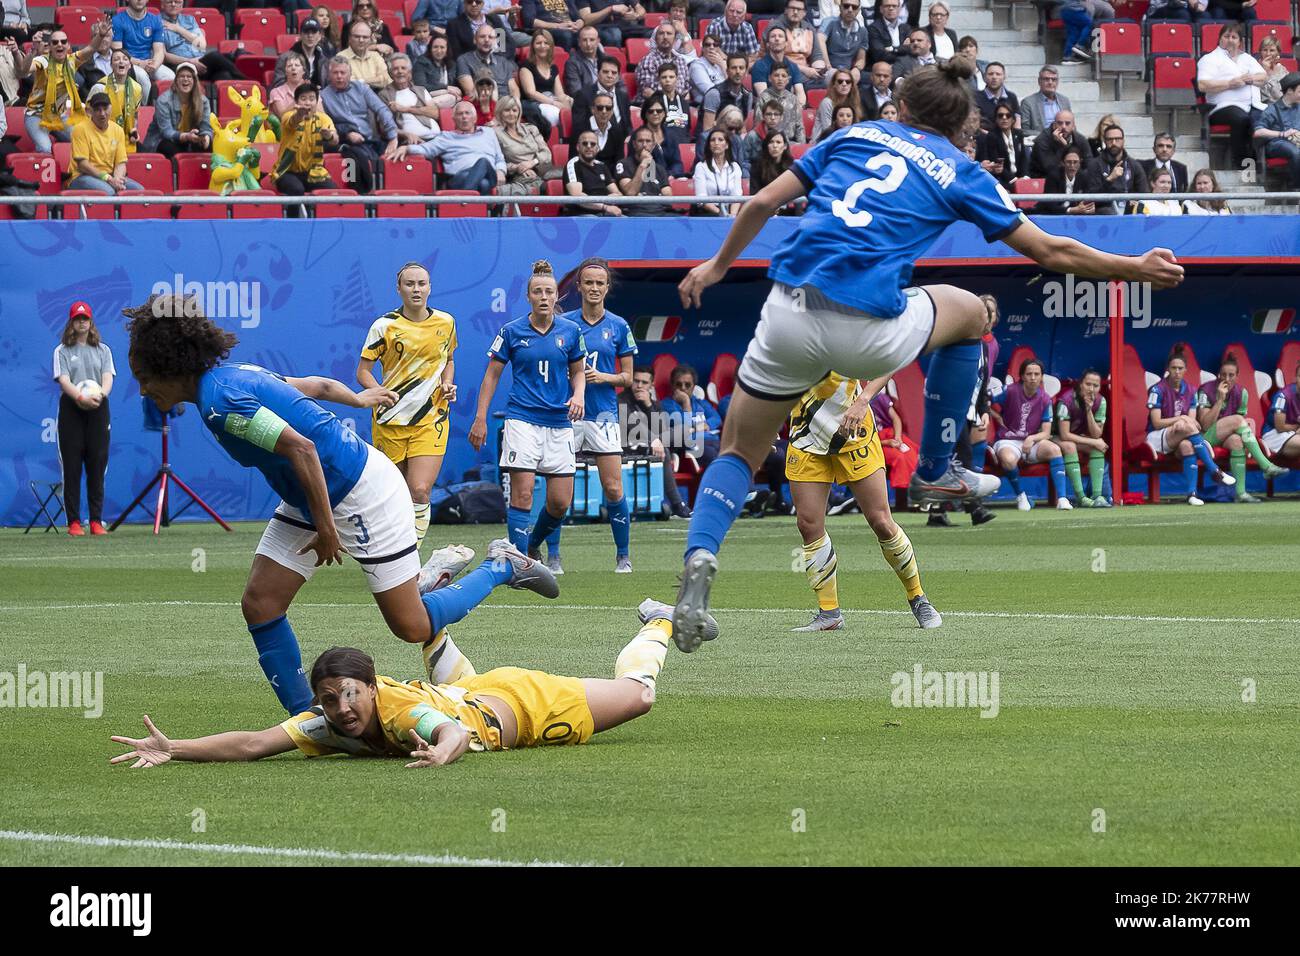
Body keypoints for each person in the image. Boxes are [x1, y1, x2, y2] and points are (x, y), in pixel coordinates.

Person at [669, 58, 1185, 652]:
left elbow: (760, 203)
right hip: (866, 328)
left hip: (788, 310)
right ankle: (938, 468)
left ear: (903, 106)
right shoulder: (963, 172)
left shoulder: (852, 133)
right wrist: (1134, 267)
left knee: (737, 449)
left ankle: (702, 552)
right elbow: (1050, 251)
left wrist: (716, 266)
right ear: (961, 126)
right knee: (969, 311)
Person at [123, 295, 557, 715]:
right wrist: (357, 398)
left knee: (411, 626)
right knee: (260, 603)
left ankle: (502, 565)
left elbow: (304, 449)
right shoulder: (230, 378)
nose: (142, 388)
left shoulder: (221, 402)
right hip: (312, 495)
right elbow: (316, 387)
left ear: (169, 366)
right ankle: (308, 719)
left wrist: (328, 530)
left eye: (144, 375)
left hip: (362, 493)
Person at [109, 599, 712, 769]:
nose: (343, 709)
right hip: (474, 692)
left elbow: (443, 731)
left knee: (640, 696)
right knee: (453, 690)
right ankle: (434, 614)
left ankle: (662, 620)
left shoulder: (395, 714)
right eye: (330, 698)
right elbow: (254, 744)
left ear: (372, 689)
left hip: (525, 707)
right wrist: (175, 747)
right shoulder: (326, 722)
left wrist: (444, 755)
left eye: (351, 694)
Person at [786, 374, 941, 632]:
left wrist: (863, 400)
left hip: (854, 435)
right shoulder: (787, 336)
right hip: (806, 438)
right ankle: (829, 613)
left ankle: (918, 598)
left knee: (880, 521)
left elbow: (889, 358)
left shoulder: (850, 333)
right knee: (808, 524)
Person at [470, 260, 587, 575]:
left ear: (556, 296)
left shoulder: (572, 331)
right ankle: (519, 563)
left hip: (559, 423)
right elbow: (491, 376)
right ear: (529, 296)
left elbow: (579, 373)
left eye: (549, 291)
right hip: (521, 419)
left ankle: (533, 544)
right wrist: (480, 418)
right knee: (522, 493)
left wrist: (578, 395)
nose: (544, 296)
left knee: (560, 503)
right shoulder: (512, 331)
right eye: (538, 291)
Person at [357, 263, 458, 550]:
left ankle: (410, 553)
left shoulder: (446, 322)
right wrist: (377, 390)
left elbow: (447, 361)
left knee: (420, 489)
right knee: (394, 493)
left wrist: (447, 384)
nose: (416, 289)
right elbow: (363, 371)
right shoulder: (384, 326)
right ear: (399, 289)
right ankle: (390, 549)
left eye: (421, 284)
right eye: (410, 284)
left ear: (430, 287)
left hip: (432, 418)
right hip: (390, 421)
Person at [564, 258, 639, 571]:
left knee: (613, 487)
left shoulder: (619, 326)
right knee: (560, 491)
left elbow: (628, 378)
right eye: (588, 282)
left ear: (607, 288)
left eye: (600, 283)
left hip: (604, 415)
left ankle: (623, 556)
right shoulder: (564, 324)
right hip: (567, 414)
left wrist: (602, 377)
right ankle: (553, 557)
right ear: (579, 286)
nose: (594, 288)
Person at [54, 302, 114, 537]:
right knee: (71, 466)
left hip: (98, 407)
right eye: (78, 319)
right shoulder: (62, 351)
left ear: (91, 322)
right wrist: (80, 396)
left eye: (85, 318)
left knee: (97, 463)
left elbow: (107, 377)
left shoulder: (103, 350)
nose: (82, 322)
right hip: (72, 408)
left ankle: (96, 521)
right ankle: (74, 522)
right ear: (71, 322)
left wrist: (100, 394)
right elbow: (64, 380)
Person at [1146, 346, 1235, 505]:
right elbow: (1157, 422)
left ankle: (1191, 494)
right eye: (1174, 368)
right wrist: (1180, 419)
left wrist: (1184, 420)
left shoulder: (1191, 390)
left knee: (1187, 445)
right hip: (1157, 437)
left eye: (1180, 368)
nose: (1177, 372)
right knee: (1185, 426)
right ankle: (1214, 470)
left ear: (1186, 369)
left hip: (1182, 434)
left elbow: (1193, 423)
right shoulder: (1157, 389)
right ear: (1168, 369)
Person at [1196, 352, 1287, 500]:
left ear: (1237, 376)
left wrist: (1244, 439)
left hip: (1225, 436)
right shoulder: (1205, 390)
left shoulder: (1242, 393)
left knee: (1237, 441)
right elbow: (1205, 424)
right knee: (1238, 420)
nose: (1226, 379)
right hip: (1205, 440)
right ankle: (1266, 466)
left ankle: (1241, 493)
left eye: (1231, 375)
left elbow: (1239, 428)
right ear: (1218, 375)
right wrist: (1219, 400)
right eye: (1223, 374)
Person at [990, 359, 1072, 511]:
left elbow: (1046, 432)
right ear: (1022, 376)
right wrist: (995, 416)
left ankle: (1062, 499)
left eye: (1037, 374)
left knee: (1055, 450)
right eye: (1029, 374)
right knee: (1008, 460)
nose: (1033, 377)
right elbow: (983, 399)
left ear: (1041, 377)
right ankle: (1021, 496)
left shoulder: (1045, 398)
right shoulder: (1008, 390)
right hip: (1007, 440)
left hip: (1031, 441)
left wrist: (1031, 438)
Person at [321, 56, 400, 194]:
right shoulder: (323, 96)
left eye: (343, 73)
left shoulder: (361, 88)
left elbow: (381, 109)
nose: (339, 76)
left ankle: (391, 199)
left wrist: (393, 136)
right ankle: (362, 196)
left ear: (350, 74)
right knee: (357, 160)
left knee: (401, 155)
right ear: (329, 75)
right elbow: (327, 124)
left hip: (371, 139)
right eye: (335, 73)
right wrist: (347, 133)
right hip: (346, 141)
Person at [621, 366, 692, 517]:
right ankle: (677, 505)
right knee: (666, 448)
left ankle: (677, 505)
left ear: (651, 385)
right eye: (636, 381)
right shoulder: (621, 400)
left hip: (651, 446)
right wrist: (654, 439)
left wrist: (648, 406)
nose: (639, 386)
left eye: (644, 382)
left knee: (680, 434)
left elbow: (661, 430)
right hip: (627, 448)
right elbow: (630, 425)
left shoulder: (653, 403)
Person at [397, 99, 506, 194]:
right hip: (459, 178)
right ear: (453, 119)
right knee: (484, 184)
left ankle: (465, 200)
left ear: (475, 118)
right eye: (460, 114)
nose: (464, 117)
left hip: (490, 175)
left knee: (484, 163)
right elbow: (426, 149)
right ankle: (472, 204)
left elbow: (499, 158)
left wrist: (501, 171)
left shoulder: (489, 133)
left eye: (467, 113)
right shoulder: (446, 137)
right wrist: (407, 148)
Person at [1197, 23, 1266, 169]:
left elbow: (1264, 76)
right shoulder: (1210, 59)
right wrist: (1230, 83)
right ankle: (1243, 165)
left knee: (1265, 120)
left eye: (1234, 37)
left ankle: (1260, 163)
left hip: (1253, 105)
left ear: (1239, 41)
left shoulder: (1246, 58)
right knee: (1242, 119)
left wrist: (1250, 79)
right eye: (1226, 36)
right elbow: (1203, 85)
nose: (1230, 40)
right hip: (1221, 107)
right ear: (1220, 39)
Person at [23, 24, 101, 154]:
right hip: (36, 116)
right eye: (55, 42)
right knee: (45, 148)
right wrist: (32, 50)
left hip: (59, 116)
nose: (59, 44)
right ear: (50, 47)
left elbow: (92, 47)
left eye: (63, 42)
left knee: (83, 141)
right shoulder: (42, 61)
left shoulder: (72, 60)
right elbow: (24, 70)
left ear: (68, 46)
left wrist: (101, 35)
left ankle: (73, 172)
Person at [273, 83, 339, 214]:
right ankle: (294, 222)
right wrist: (300, 114)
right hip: (287, 172)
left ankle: (323, 223)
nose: (307, 103)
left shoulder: (324, 118)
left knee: (332, 190)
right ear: (296, 102)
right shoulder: (288, 116)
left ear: (316, 101)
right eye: (303, 99)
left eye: (311, 99)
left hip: (314, 172)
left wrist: (329, 136)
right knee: (297, 189)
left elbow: (335, 140)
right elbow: (294, 121)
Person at [1054, 369, 1112, 507]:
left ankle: (1097, 496)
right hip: (1053, 436)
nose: (1091, 389)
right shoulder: (1066, 400)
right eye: (1088, 384)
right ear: (1081, 384)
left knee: (1097, 448)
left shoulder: (1101, 402)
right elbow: (1064, 435)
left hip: (1075, 437)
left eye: (1096, 385)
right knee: (1071, 446)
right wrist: (1094, 441)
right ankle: (1081, 497)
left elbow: (1097, 434)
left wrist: (1088, 410)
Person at [158, 0, 244, 83]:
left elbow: (201, 45)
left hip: (200, 63)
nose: (173, 4)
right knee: (214, 56)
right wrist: (189, 61)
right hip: (179, 65)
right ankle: (247, 81)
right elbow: (164, 56)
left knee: (224, 75)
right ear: (162, 4)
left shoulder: (189, 20)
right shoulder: (157, 23)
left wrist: (178, 29)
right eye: (169, 2)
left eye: (177, 2)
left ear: (182, 4)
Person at [142, 62, 212, 158]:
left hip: (189, 140)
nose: (185, 79)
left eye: (189, 76)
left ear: (195, 81)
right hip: (162, 141)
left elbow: (206, 127)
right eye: (181, 76)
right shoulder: (164, 100)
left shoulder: (203, 101)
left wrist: (206, 138)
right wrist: (187, 136)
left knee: (209, 147)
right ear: (176, 81)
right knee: (171, 148)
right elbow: (166, 132)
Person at [494, 94, 555, 195]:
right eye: (507, 110)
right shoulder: (495, 133)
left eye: (514, 110)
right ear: (500, 112)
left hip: (541, 170)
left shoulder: (531, 129)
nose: (511, 114)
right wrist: (517, 167)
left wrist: (532, 162)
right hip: (518, 176)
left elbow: (546, 154)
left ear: (519, 112)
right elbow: (496, 161)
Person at [112, 0, 170, 103]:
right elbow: (118, 52)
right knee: (142, 76)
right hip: (128, 63)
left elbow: (159, 51)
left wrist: (154, 65)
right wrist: (139, 63)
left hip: (148, 62)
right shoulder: (117, 20)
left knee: (170, 77)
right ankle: (146, 111)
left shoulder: (155, 20)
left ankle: (164, 109)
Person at [1083, 123, 1148, 215]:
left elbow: (1144, 193)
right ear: (1104, 141)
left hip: (1129, 212)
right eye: (1110, 139)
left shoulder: (1134, 165)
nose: (1114, 143)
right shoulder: (1095, 164)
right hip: (1104, 213)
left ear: (1123, 141)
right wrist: (1110, 180)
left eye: (1117, 139)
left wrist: (1135, 201)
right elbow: (1092, 197)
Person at [88, 49, 145, 153]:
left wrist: (133, 131)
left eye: (125, 59)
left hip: (126, 139)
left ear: (130, 65)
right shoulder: (100, 87)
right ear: (111, 65)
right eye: (116, 59)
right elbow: (88, 114)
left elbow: (135, 115)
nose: (121, 62)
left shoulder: (137, 88)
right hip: (102, 136)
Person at [520, 29, 572, 138]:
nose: (542, 46)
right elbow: (531, 92)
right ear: (533, 46)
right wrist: (553, 103)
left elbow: (560, 93)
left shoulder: (553, 67)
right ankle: (555, 140)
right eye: (538, 43)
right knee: (554, 114)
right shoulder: (526, 65)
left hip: (551, 100)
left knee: (576, 107)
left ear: (550, 46)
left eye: (546, 43)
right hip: (534, 103)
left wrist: (568, 100)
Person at [1253, 71, 1300, 190]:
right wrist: (1282, 134)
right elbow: (1258, 132)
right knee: (1295, 152)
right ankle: (1296, 188)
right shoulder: (1272, 110)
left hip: (1297, 142)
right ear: (1289, 90)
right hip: (1277, 143)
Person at [381, 53, 442, 144]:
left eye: (403, 68)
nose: (400, 71)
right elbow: (384, 127)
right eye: (395, 69)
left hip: (438, 138)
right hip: (414, 141)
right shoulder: (385, 95)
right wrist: (406, 135)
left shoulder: (420, 90)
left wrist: (406, 109)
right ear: (390, 73)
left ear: (409, 72)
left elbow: (435, 113)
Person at [615, 123, 676, 211]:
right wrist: (643, 165)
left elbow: (668, 198)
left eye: (648, 141)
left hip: (658, 212)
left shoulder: (659, 168)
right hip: (635, 212)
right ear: (634, 144)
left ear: (653, 145)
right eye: (640, 141)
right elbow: (630, 193)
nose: (644, 145)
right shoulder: (623, 164)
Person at [562, 127, 622, 212]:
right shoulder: (573, 165)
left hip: (605, 212)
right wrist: (604, 207)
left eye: (593, 144)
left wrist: (612, 199)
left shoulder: (602, 166)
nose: (589, 146)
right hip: (581, 215)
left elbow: (618, 193)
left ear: (597, 149)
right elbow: (577, 196)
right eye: (585, 143)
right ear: (578, 147)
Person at [456, 22, 520, 100]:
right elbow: (470, 92)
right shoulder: (464, 60)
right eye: (482, 37)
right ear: (475, 40)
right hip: (483, 104)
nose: (486, 40)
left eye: (490, 37)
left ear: (495, 41)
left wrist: (514, 103)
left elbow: (514, 89)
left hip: (507, 105)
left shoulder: (503, 62)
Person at [635, 18, 692, 103]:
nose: (665, 37)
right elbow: (648, 92)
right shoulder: (648, 60)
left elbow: (686, 92)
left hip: (678, 107)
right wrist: (671, 103)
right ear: (656, 38)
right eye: (661, 33)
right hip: (654, 107)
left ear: (675, 39)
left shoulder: (681, 61)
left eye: (669, 34)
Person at [693, 127, 743, 215]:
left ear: (727, 145)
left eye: (720, 140)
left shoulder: (735, 167)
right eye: (713, 140)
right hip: (707, 213)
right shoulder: (701, 167)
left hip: (731, 211)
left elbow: (737, 196)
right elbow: (701, 198)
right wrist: (721, 213)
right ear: (709, 145)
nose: (716, 143)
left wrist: (732, 215)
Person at [1028, 108, 1091, 178]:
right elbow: (1050, 169)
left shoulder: (1080, 139)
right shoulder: (1042, 140)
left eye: (1067, 123)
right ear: (1054, 125)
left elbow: (1089, 165)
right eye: (1060, 123)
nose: (1064, 127)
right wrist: (1061, 146)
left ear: (1073, 125)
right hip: (1045, 179)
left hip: (1073, 179)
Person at [976, 103, 1027, 187]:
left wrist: (1025, 177)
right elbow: (997, 163)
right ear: (996, 119)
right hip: (1003, 179)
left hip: (1020, 178)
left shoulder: (1018, 134)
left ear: (1013, 119)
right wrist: (1015, 180)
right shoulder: (992, 136)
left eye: (1008, 115)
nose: (1004, 118)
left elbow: (1023, 158)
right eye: (1000, 115)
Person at [276, 17, 335, 89]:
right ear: (300, 35)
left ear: (319, 36)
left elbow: (329, 85)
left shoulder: (325, 60)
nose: (310, 36)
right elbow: (278, 85)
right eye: (306, 32)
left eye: (313, 32)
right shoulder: (285, 58)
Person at [817, 1, 867, 83]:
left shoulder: (862, 31)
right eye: (846, 6)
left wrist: (857, 69)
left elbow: (861, 58)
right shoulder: (829, 22)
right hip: (830, 68)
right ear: (840, 7)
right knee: (835, 78)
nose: (850, 10)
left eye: (854, 7)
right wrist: (828, 66)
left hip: (849, 71)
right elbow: (820, 40)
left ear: (858, 10)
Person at [1263, 361, 1300, 465]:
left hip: (1294, 433)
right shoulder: (1283, 396)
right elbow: (1280, 426)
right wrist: (1297, 428)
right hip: (1274, 435)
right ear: (1295, 378)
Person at [340, 18, 392, 91]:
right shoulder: (341, 57)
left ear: (370, 39)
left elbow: (386, 80)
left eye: (365, 37)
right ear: (349, 38)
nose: (361, 40)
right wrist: (376, 80)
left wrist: (362, 81)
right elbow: (348, 83)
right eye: (357, 36)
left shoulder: (376, 56)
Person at [811, 67, 862, 140]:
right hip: (822, 143)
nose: (844, 84)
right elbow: (829, 131)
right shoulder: (827, 102)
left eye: (848, 82)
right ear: (834, 84)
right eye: (840, 81)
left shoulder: (854, 101)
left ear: (852, 85)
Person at [1019, 65, 1070, 137]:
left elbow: (1071, 125)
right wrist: (1049, 136)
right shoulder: (1028, 103)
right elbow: (1024, 131)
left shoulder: (1065, 101)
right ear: (1039, 81)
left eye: (1054, 79)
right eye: (1046, 79)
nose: (1050, 82)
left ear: (1057, 82)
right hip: (1041, 143)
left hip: (1063, 141)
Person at [579, 0, 652, 49]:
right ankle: (613, 64)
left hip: (625, 26)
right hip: (601, 27)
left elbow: (641, 9)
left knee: (652, 33)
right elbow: (586, 20)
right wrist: (610, 9)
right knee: (615, 34)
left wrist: (636, 15)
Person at [707, 0, 761, 65]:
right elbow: (712, 52)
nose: (734, 15)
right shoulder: (714, 26)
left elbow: (752, 56)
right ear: (725, 12)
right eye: (731, 11)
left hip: (740, 67)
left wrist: (736, 64)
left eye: (739, 12)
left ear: (744, 16)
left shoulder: (748, 28)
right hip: (719, 65)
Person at [975, 62, 1018, 133]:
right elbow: (974, 124)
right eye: (990, 74)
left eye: (998, 74)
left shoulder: (1011, 97)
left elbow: (1017, 121)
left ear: (1004, 77)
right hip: (984, 138)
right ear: (985, 77)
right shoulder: (975, 97)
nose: (994, 77)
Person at [868, 0, 910, 66]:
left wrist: (892, 49)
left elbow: (910, 49)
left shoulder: (906, 28)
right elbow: (880, 54)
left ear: (899, 9)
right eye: (887, 6)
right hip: (883, 67)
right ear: (881, 9)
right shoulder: (873, 28)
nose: (891, 8)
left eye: (894, 6)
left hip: (903, 67)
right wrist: (902, 51)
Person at [269, 53, 309, 120]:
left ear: (303, 71)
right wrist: (300, 98)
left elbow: (322, 114)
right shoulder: (276, 92)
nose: (293, 68)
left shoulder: (311, 90)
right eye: (289, 66)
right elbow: (282, 116)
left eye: (297, 65)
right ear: (285, 71)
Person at [1057, 0, 1093, 65]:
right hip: (1074, 9)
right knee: (1089, 23)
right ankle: (1080, 45)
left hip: (1064, 11)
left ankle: (1067, 57)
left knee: (1073, 34)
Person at [1257, 35, 1289, 106]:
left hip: (1282, 106)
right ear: (1260, 52)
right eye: (1265, 50)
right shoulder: (1255, 68)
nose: (1268, 54)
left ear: (1278, 52)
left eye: (1272, 50)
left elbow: (1283, 94)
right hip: (1264, 107)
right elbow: (1263, 96)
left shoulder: (1282, 70)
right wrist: (1266, 72)